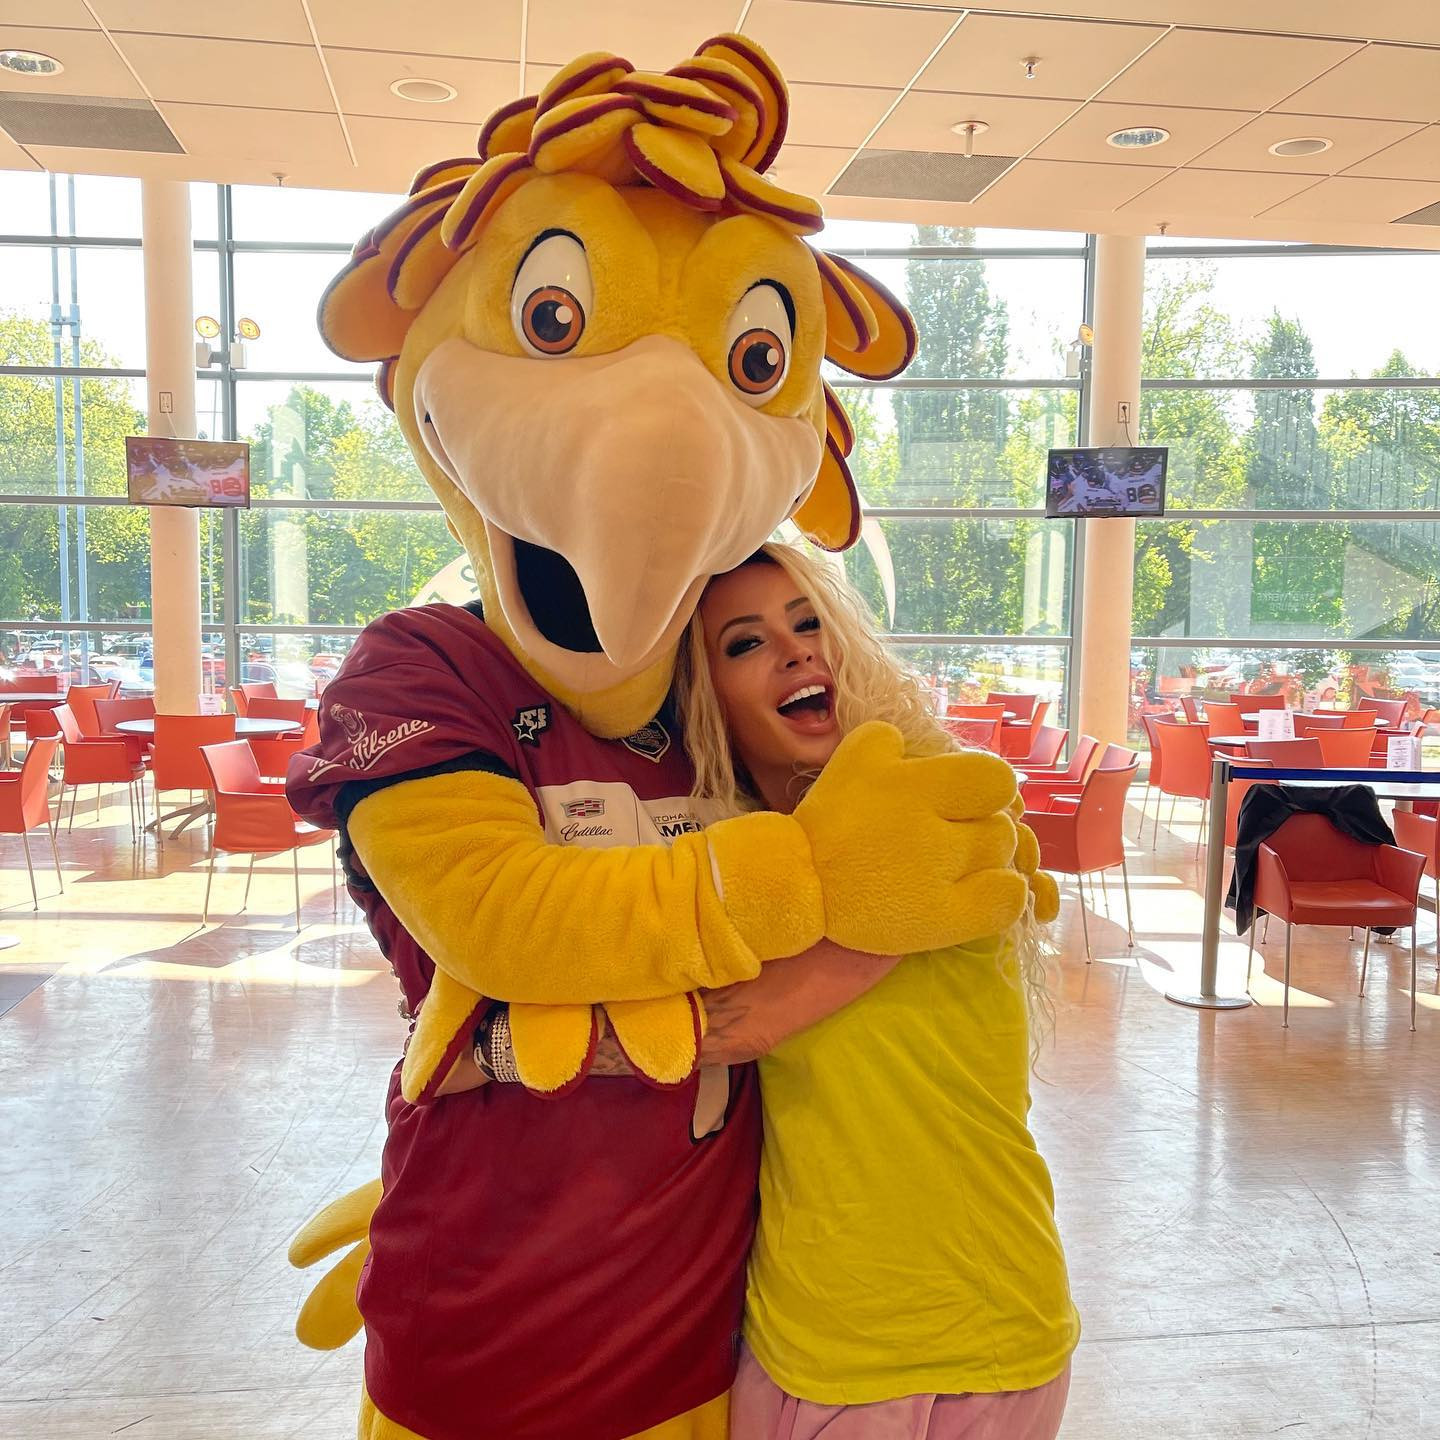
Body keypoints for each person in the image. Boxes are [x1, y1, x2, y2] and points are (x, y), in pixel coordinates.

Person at [678, 543, 1078, 1439]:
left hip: (972, 1333)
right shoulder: (752, 860)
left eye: (808, 622)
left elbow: (729, 1027)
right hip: (817, 1331)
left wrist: (495, 1046)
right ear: (706, 695)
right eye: (746, 643)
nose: (796, 651)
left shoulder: (931, 820)